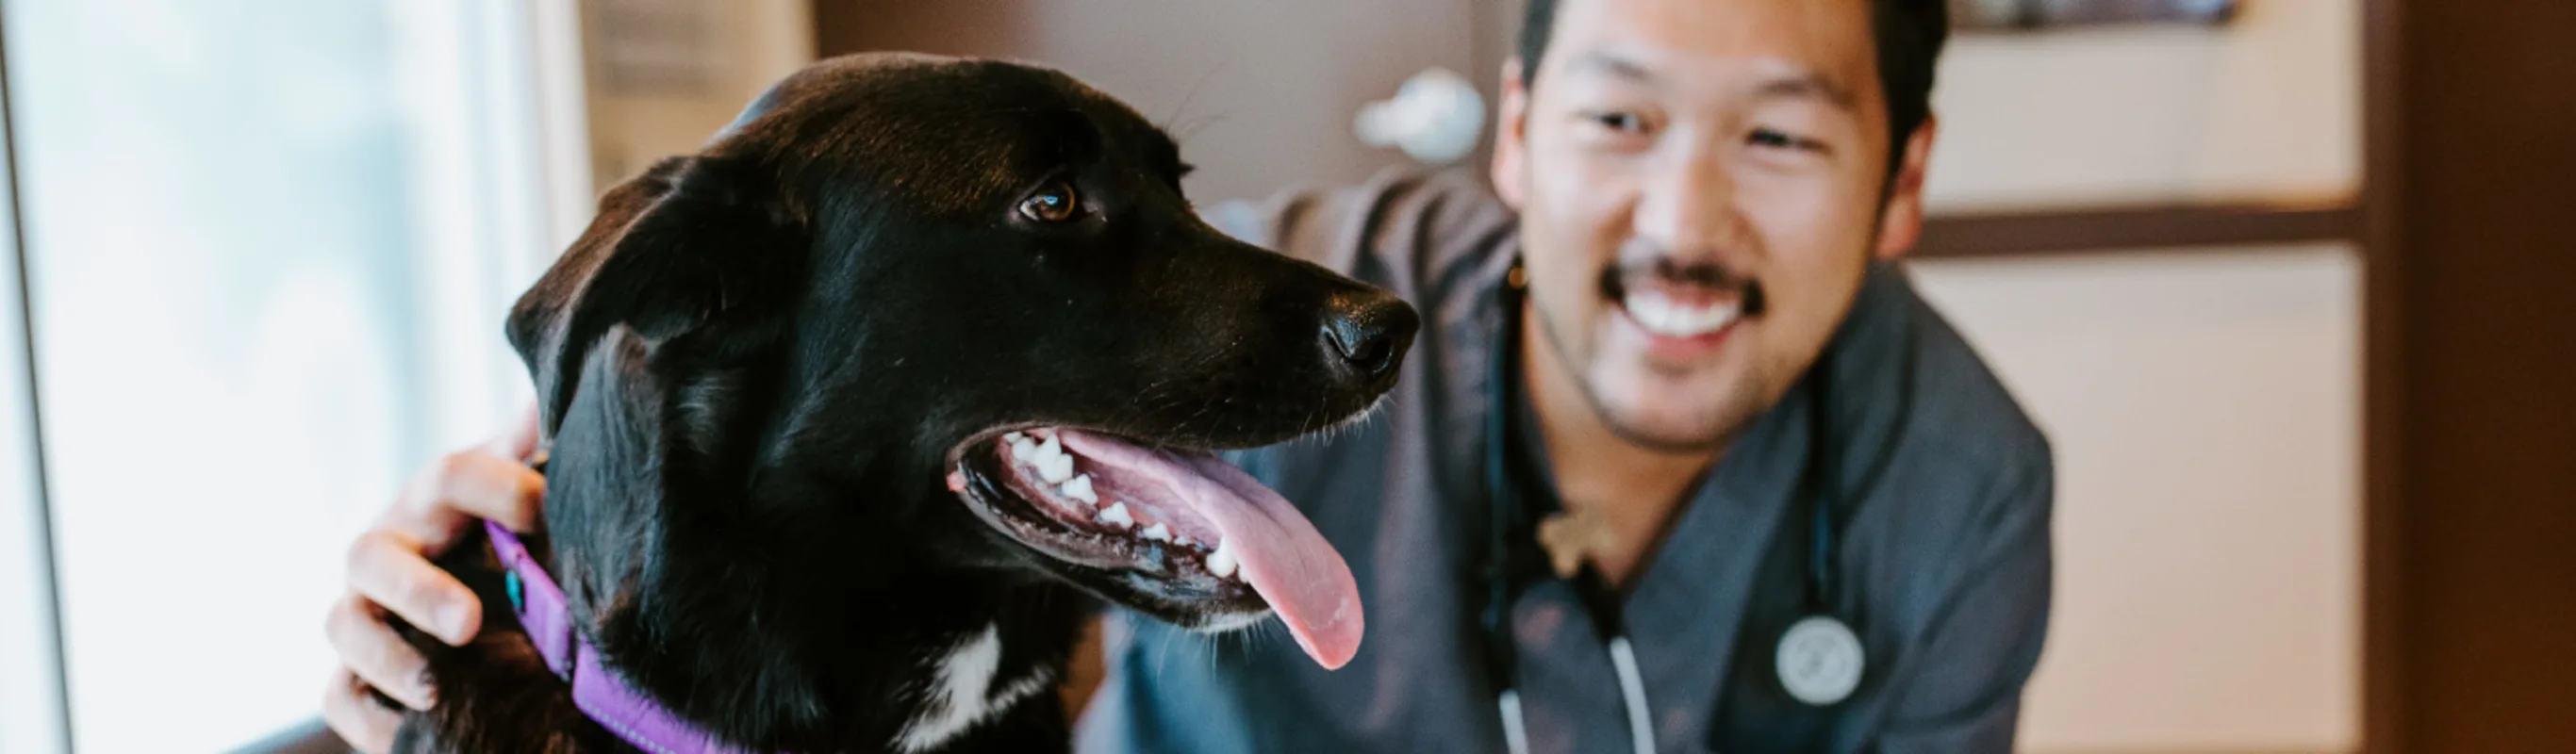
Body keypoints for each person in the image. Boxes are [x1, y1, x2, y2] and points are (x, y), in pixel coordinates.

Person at [322, 0, 2053, 750]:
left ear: (1905, 181)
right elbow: (796, 382)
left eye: (1779, 137)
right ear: (1518, 132)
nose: (1683, 218)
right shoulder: (1303, 306)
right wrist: (489, 531)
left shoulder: (1957, 487)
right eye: (1617, 118)